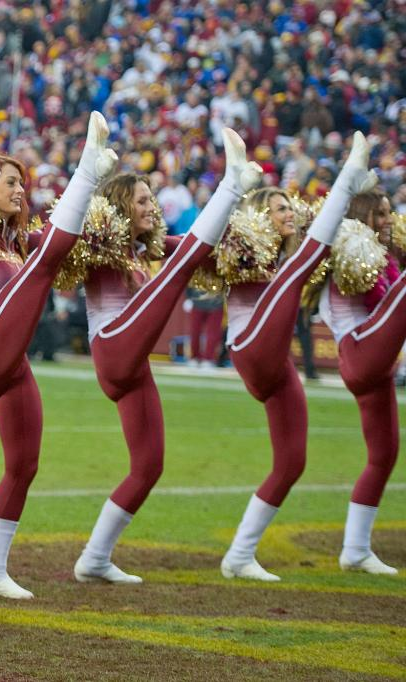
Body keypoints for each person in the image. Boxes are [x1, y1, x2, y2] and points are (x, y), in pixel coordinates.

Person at [73, 129, 262, 584]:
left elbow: (198, 247)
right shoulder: (102, 243)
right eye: (140, 200)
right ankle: (231, 181)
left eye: (150, 199)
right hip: (113, 347)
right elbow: (186, 252)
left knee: (150, 465)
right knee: (177, 272)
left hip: (134, 365)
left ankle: (95, 557)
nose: (150, 206)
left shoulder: (146, 250)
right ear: (118, 206)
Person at [0, 112, 117, 599]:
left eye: (22, 184)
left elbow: (63, 249)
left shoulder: (19, 243)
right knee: (45, 261)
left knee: (24, 465)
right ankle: (87, 166)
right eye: (10, 182)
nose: (20, 191)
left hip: (14, 362)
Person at [220, 134, 377, 581]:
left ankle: (240, 555)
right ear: (258, 218)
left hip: (279, 361)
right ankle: (347, 174)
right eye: (279, 208)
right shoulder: (239, 243)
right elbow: (187, 246)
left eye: (291, 207)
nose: (289, 213)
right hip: (251, 347)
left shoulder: (289, 256)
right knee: (298, 270)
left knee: (292, 462)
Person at [320, 189, 401, 575]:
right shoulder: (350, 246)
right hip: (359, 350)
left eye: (390, 213)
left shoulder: (381, 253)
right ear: (363, 214)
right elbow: (376, 302)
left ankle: (355, 549)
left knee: (384, 455)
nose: (387, 220)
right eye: (381, 213)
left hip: (376, 366)